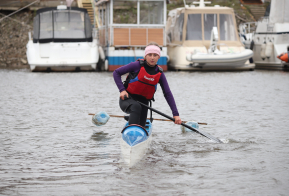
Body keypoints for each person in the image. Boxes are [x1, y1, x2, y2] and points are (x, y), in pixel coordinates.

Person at [113, 42, 182, 127]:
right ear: (145, 56)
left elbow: (167, 94)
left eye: (155, 55)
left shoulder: (159, 73)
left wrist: (176, 114)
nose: (152, 58)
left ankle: (133, 119)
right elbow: (116, 73)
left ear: (158, 57)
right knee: (136, 107)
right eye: (150, 55)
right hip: (127, 99)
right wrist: (122, 90)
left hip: (144, 104)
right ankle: (132, 131)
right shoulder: (136, 65)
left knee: (141, 122)